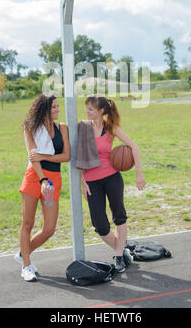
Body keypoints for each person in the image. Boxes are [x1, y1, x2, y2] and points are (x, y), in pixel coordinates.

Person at [78, 95, 146, 273]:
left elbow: (134, 147)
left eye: (90, 108)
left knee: (119, 216)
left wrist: (139, 173)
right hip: (92, 182)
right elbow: (79, 156)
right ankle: (122, 251)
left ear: (101, 111)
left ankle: (118, 257)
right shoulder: (83, 127)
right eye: (87, 108)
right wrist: (82, 182)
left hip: (112, 178)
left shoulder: (111, 128)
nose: (87, 111)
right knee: (100, 225)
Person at [15, 93, 70, 282]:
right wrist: (42, 180)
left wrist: (44, 157)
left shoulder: (62, 127)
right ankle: (26, 266)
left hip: (54, 179)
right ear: (44, 109)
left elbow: (66, 156)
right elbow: (33, 157)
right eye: (53, 107)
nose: (57, 109)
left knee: (49, 229)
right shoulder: (30, 127)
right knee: (28, 223)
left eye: (57, 106)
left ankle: (23, 253)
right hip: (35, 178)